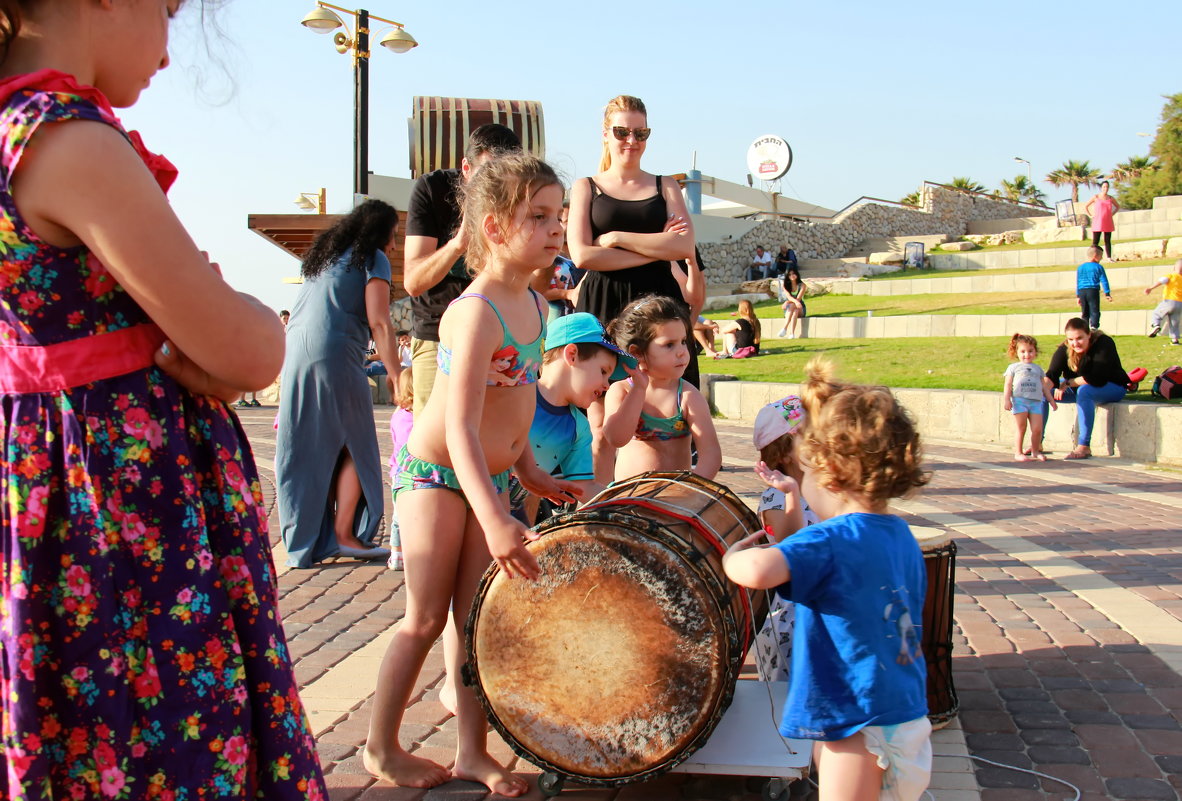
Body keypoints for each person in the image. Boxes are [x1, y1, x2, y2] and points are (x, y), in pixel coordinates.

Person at [0, 4, 326, 797]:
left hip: (46, 502)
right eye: (169, 10)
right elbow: (246, 347)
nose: (170, 52)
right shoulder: (69, 141)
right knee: (158, 734)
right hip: (122, 518)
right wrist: (236, 333)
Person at [363, 155, 580, 795]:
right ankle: (381, 745)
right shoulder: (474, 311)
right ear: (492, 227)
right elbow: (458, 426)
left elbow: (517, 408)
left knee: (476, 619)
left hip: (494, 478)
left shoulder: (538, 306)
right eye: (537, 217)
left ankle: (472, 753)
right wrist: (496, 516)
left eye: (558, 217)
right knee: (426, 617)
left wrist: (532, 474)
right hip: (436, 476)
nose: (554, 229)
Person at [723, 358, 933, 801]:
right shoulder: (901, 536)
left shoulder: (831, 538)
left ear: (829, 475)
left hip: (856, 721)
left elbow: (761, 571)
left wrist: (732, 559)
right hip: (905, 712)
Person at [276, 200, 400, 567]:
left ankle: (303, 540)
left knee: (305, 445)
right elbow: (379, 321)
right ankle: (345, 535)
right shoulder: (373, 257)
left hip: (295, 351)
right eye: (392, 236)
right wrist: (396, 376)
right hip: (335, 351)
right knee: (358, 443)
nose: (393, 246)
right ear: (380, 233)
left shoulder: (323, 259)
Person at [569, 94, 699, 386]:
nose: (631, 139)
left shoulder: (666, 186)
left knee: (668, 403)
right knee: (600, 402)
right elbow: (583, 256)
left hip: (660, 301)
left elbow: (683, 246)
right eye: (622, 132)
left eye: (640, 133)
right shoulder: (585, 187)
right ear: (605, 135)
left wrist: (617, 238)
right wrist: (658, 248)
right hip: (603, 301)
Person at [404, 123, 522, 415]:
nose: (495, 187)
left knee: (494, 439)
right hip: (437, 335)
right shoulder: (432, 190)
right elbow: (413, 281)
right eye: (487, 174)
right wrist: (459, 243)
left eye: (504, 177)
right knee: (433, 448)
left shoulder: (519, 196)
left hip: (498, 335)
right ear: (466, 168)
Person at [513, 312, 636, 524]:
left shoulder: (579, 428)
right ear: (572, 355)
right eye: (603, 371)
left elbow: (585, 487)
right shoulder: (517, 392)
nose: (607, 384)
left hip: (514, 516)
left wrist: (629, 505)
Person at [602, 294, 721, 481]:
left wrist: (691, 490)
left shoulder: (687, 396)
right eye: (669, 345)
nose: (682, 351)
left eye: (683, 341)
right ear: (637, 353)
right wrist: (639, 390)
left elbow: (711, 455)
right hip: (630, 500)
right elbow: (616, 438)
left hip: (674, 500)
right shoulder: (621, 391)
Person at [750, 396, 818, 683]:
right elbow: (791, 550)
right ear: (784, 453)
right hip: (789, 612)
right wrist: (792, 494)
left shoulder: (821, 488)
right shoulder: (775, 499)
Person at [1045, 318, 1133, 460]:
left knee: (1084, 391)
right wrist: (1039, 389)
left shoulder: (1104, 343)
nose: (1075, 343)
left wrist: (1068, 383)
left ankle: (1084, 446)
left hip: (1112, 386)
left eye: (1079, 338)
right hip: (1081, 387)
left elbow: (1096, 378)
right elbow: (1052, 375)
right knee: (1044, 392)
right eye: (1071, 339)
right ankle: (1037, 443)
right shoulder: (1065, 348)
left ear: (1089, 335)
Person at [1003, 333, 1058, 462]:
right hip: (1020, 401)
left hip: (1035, 402)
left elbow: (1044, 387)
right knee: (1021, 427)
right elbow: (1008, 384)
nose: (1027, 355)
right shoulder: (1013, 368)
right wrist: (1007, 399)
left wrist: (1051, 400)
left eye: (1030, 351)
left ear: (1035, 352)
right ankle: (1018, 452)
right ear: (1017, 352)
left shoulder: (1038, 369)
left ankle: (1035, 451)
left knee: (1037, 429)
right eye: (1023, 351)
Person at [387, 368, 414, 570]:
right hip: (409, 473)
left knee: (398, 517)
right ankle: (400, 551)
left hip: (398, 472)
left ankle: (397, 552)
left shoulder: (399, 415)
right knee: (404, 517)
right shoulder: (416, 418)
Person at [1145, 258, 1182, 345]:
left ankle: (1156, 325)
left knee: (1157, 313)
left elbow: (1162, 281)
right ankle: (1175, 340)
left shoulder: (1171, 276)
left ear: (1174, 268)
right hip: (1180, 304)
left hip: (1170, 300)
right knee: (1174, 322)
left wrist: (1150, 288)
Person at [1075, 245, 1111, 330]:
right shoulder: (1098, 267)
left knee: (1085, 312)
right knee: (1094, 310)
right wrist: (1107, 293)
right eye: (1101, 256)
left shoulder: (1080, 267)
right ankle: (1094, 327)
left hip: (1081, 291)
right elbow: (1104, 280)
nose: (1101, 258)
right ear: (1096, 256)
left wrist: (1078, 296)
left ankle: (1084, 329)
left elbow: (1078, 282)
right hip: (1092, 290)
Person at [1085, 180, 1120, 259]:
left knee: (1107, 240)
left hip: (1107, 221)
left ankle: (1109, 257)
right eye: (1104, 187)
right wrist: (1090, 215)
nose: (1105, 188)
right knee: (1095, 241)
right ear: (1101, 188)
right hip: (1098, 222)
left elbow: (1117, 206)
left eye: (1107, 187)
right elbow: (1086, 206)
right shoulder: (1096, 197)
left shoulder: (1110, 198)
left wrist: (1112, 214)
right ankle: (1092, 257)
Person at [777, 267, 807, 339]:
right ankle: (792, 334)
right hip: (791, 309)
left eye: (793, 273)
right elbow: (789, 296)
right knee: (794, 310)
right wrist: (790, 301)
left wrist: (787, 302)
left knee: (794, 306)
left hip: (800, 307)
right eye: (789, 275)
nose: (792, 276)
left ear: (797, 274)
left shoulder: (802, 285)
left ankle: (785, 328)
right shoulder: (786, 285)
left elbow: (798, 299)